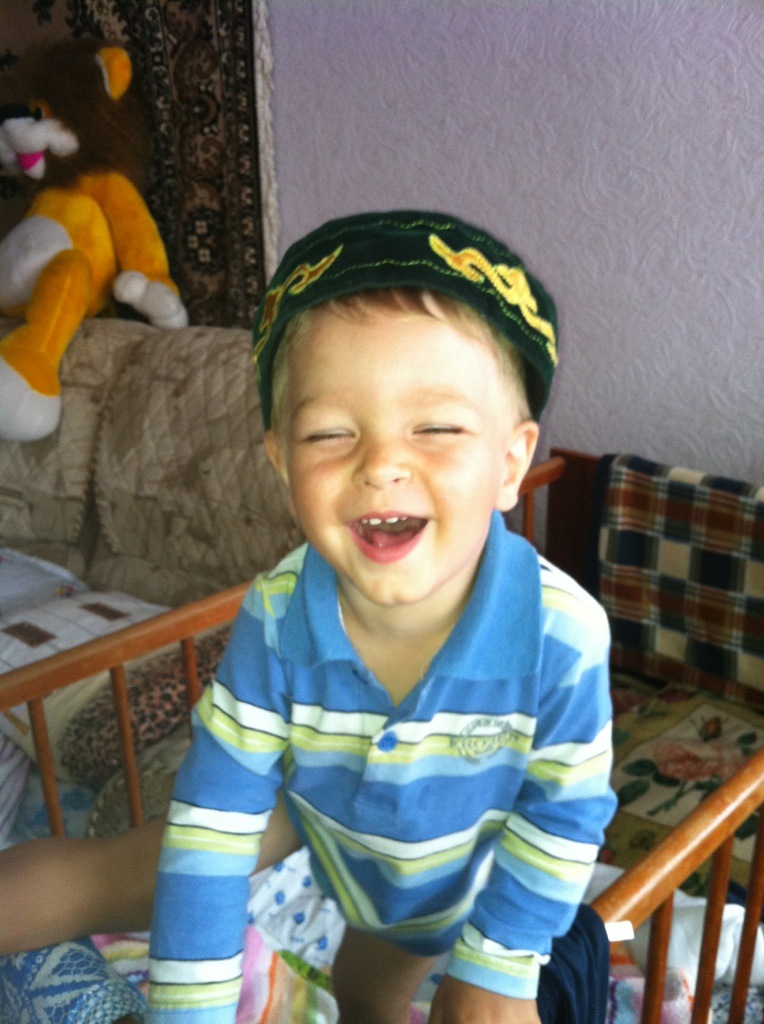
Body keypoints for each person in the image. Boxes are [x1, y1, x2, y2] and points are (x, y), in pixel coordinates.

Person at [0, 209, 616, 1024]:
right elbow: (215, 820)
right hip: (311, 808)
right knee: (127, 867)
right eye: (329, 433)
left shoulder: (562, 634)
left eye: (436, 427)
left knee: (372, 992)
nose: (382, 463)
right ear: (281, 462)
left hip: (450, 868)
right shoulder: (278, 612)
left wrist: (502, 966)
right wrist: (189, 1010)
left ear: (511, 464)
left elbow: (565, 812)